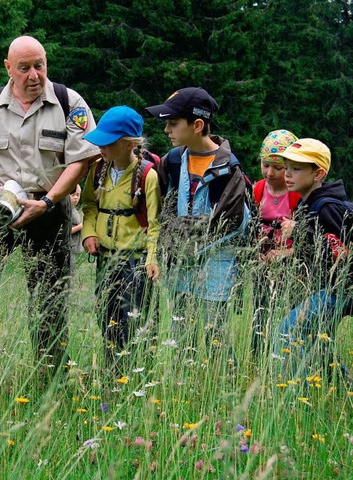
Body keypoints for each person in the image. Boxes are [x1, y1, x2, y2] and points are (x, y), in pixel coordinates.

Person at [0, 35, 100, 374]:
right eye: (25, 68)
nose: (34, 75)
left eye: (40, 65)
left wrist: (49, 202)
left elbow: (80, 161)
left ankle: (50, 379)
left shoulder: (70, 102)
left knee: (50, 298)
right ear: (8, 68)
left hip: (48, 207)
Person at [145, 87, 251, 360]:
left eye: (173, 123)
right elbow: (164, 210)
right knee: (181, 339)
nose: (166, 129)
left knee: (217, 338)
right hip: (179, 267)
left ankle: (226, 392)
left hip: (216, 269)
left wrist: (190, 241)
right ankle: (185, 393)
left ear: (198, 125)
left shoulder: (229, 168)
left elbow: (236, 223)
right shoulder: (172, 161)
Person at [81, 106, 161, 371]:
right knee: (106, 317)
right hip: (105, 258)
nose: (101, 147)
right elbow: (89, 206)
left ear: (128, 144)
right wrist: (89, 233)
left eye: (108, 142)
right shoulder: (97, 170)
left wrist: (152, 259)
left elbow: (154, 224)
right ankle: (111, 372)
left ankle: (136, 373)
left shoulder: (148, 176)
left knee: (134, 320)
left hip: (135, 262)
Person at [273, 139, 351, 381]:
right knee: (318, 341)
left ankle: (295, 399)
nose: (287, 174)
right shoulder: (310, 205)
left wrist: (298, 230)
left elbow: (341, 250)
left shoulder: (325, 207)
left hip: (339, 289)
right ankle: (343, 386)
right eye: (287, 167)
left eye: (296, 169)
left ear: (318, 173)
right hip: (331, 288)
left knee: (287, 332)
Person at [251, 129, 302, 355]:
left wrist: (283, 254)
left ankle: (283, 354)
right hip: (262, 265)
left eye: (278, 168)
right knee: (260, 311)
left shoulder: (296, 195)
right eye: (265, 165)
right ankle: (258, 356)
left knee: (288, 315)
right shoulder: (258, 189)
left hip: (290, 268)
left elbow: (307, 237)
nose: (270, 172)